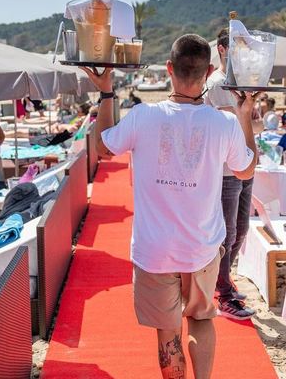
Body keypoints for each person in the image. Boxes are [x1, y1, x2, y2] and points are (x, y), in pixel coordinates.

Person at [81, 34, 257, 379]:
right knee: (202, 319)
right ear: (208, 72)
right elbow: (246, 169)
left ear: (169, 69)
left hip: (155, 250)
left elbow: (102, 148)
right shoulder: (223, 123)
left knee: (168, 330)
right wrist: (244, 114)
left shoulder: (143, 115)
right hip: (202, 247)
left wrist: (105, 92)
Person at [204, 28, 260, 321]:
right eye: (238, 48)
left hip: (242, 163)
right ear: (222, 49)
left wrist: (247, 119)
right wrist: (248, 119)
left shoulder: (240, 85)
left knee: (240, 230)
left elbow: (252, 124)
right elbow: (243, 125)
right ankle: (223, 293)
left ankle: (222, 283)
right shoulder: (217, 84)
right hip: (226, 170)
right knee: (228, 232)